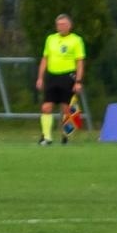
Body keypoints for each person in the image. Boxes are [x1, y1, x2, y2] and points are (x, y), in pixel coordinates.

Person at [35, 14, 85, 145]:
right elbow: (45, 59)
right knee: (46, 107)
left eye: (63, 24)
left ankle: (65, 136)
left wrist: (78, 81)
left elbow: (79, 62)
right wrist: (40, 77)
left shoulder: (76, 40)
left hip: (68, 76)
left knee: (67, 108)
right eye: (58, 25)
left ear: (69, 26)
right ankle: (47, 137)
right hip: (52, 76)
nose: (60, 27)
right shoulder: (50, 39)